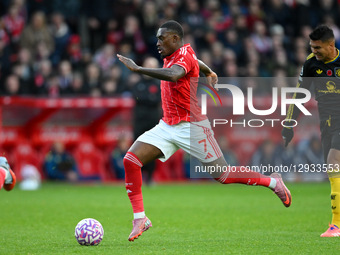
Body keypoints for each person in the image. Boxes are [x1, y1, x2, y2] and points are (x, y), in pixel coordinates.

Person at [117, 20, 291, 242]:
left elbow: (174, 75)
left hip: (193, 126)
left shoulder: (182, 57)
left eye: (162, 38)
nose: (158, 42)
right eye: (157, 38)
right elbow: (195, 62)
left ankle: (273, 182)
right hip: (167, 125)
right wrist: (209, 70)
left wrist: (138, 68)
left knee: (224, 175)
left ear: (175, 39)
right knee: (131, 160)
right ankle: (140, 218)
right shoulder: (182, 52)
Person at [282, 25, 340, 237]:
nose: (314, 51)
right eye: (312, 47)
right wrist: (288, 125)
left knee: (334, 162)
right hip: (327, 123)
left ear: (331, 45)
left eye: (318, 48)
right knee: (334, 170)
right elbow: (299, 95)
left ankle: (336, 225)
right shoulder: (311, 64)